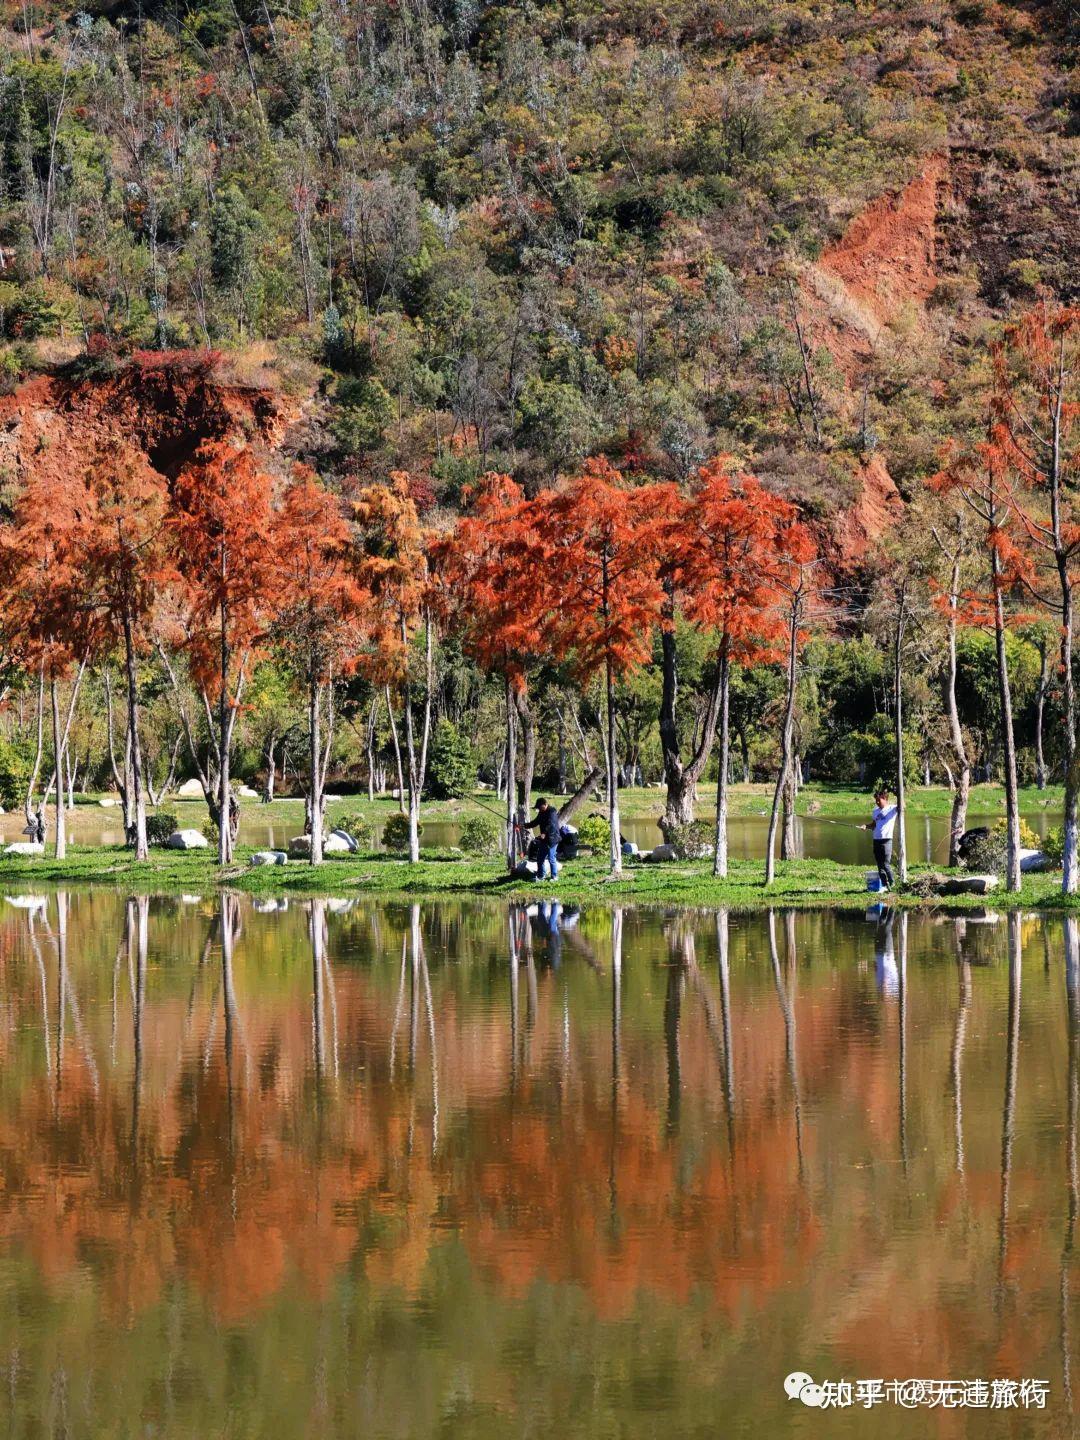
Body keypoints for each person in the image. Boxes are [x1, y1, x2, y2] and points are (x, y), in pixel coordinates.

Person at [864, 787, 898, 891]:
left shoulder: (892, 808)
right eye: (876, 800)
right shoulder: (875, 811)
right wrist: (866, 826)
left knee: (886, 864)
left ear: (885, 798)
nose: (877, 802)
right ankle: (884, 885)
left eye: (879, 800)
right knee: (879, 864)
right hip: (876, 840)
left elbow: (903, 806)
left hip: (887, 840)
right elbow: (873, 825)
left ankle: (892, 884)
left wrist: (899, 795)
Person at [527, 798, 561, 881]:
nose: (539, 809)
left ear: (545, 804)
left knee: (551, 858)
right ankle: (541, 876)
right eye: (538, 807)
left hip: (552, 839)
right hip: (544, 840)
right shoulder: (541, 813)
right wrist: (525, 825)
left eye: (540, 807)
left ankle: (554, 876)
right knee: (540, 858)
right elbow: (536, 822)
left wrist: (544, 833)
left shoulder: (552, 811)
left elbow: (550, 824)